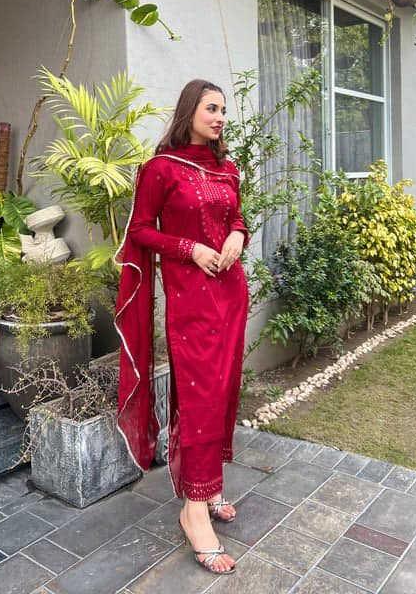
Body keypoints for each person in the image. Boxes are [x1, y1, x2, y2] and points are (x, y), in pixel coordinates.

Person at [115, 79, 249, 575]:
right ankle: (193, 512)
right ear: (189, 110)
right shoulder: (161, 169)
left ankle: (209, 486)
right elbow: (140, 230)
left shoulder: (226, 168)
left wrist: (237, 236)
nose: (219, 117)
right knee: (200, 396)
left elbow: (236, 218)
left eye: (223, 110)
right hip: (192, 301)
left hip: (231, 293)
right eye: (211, 108)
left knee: (223, 391)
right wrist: (189, 248)